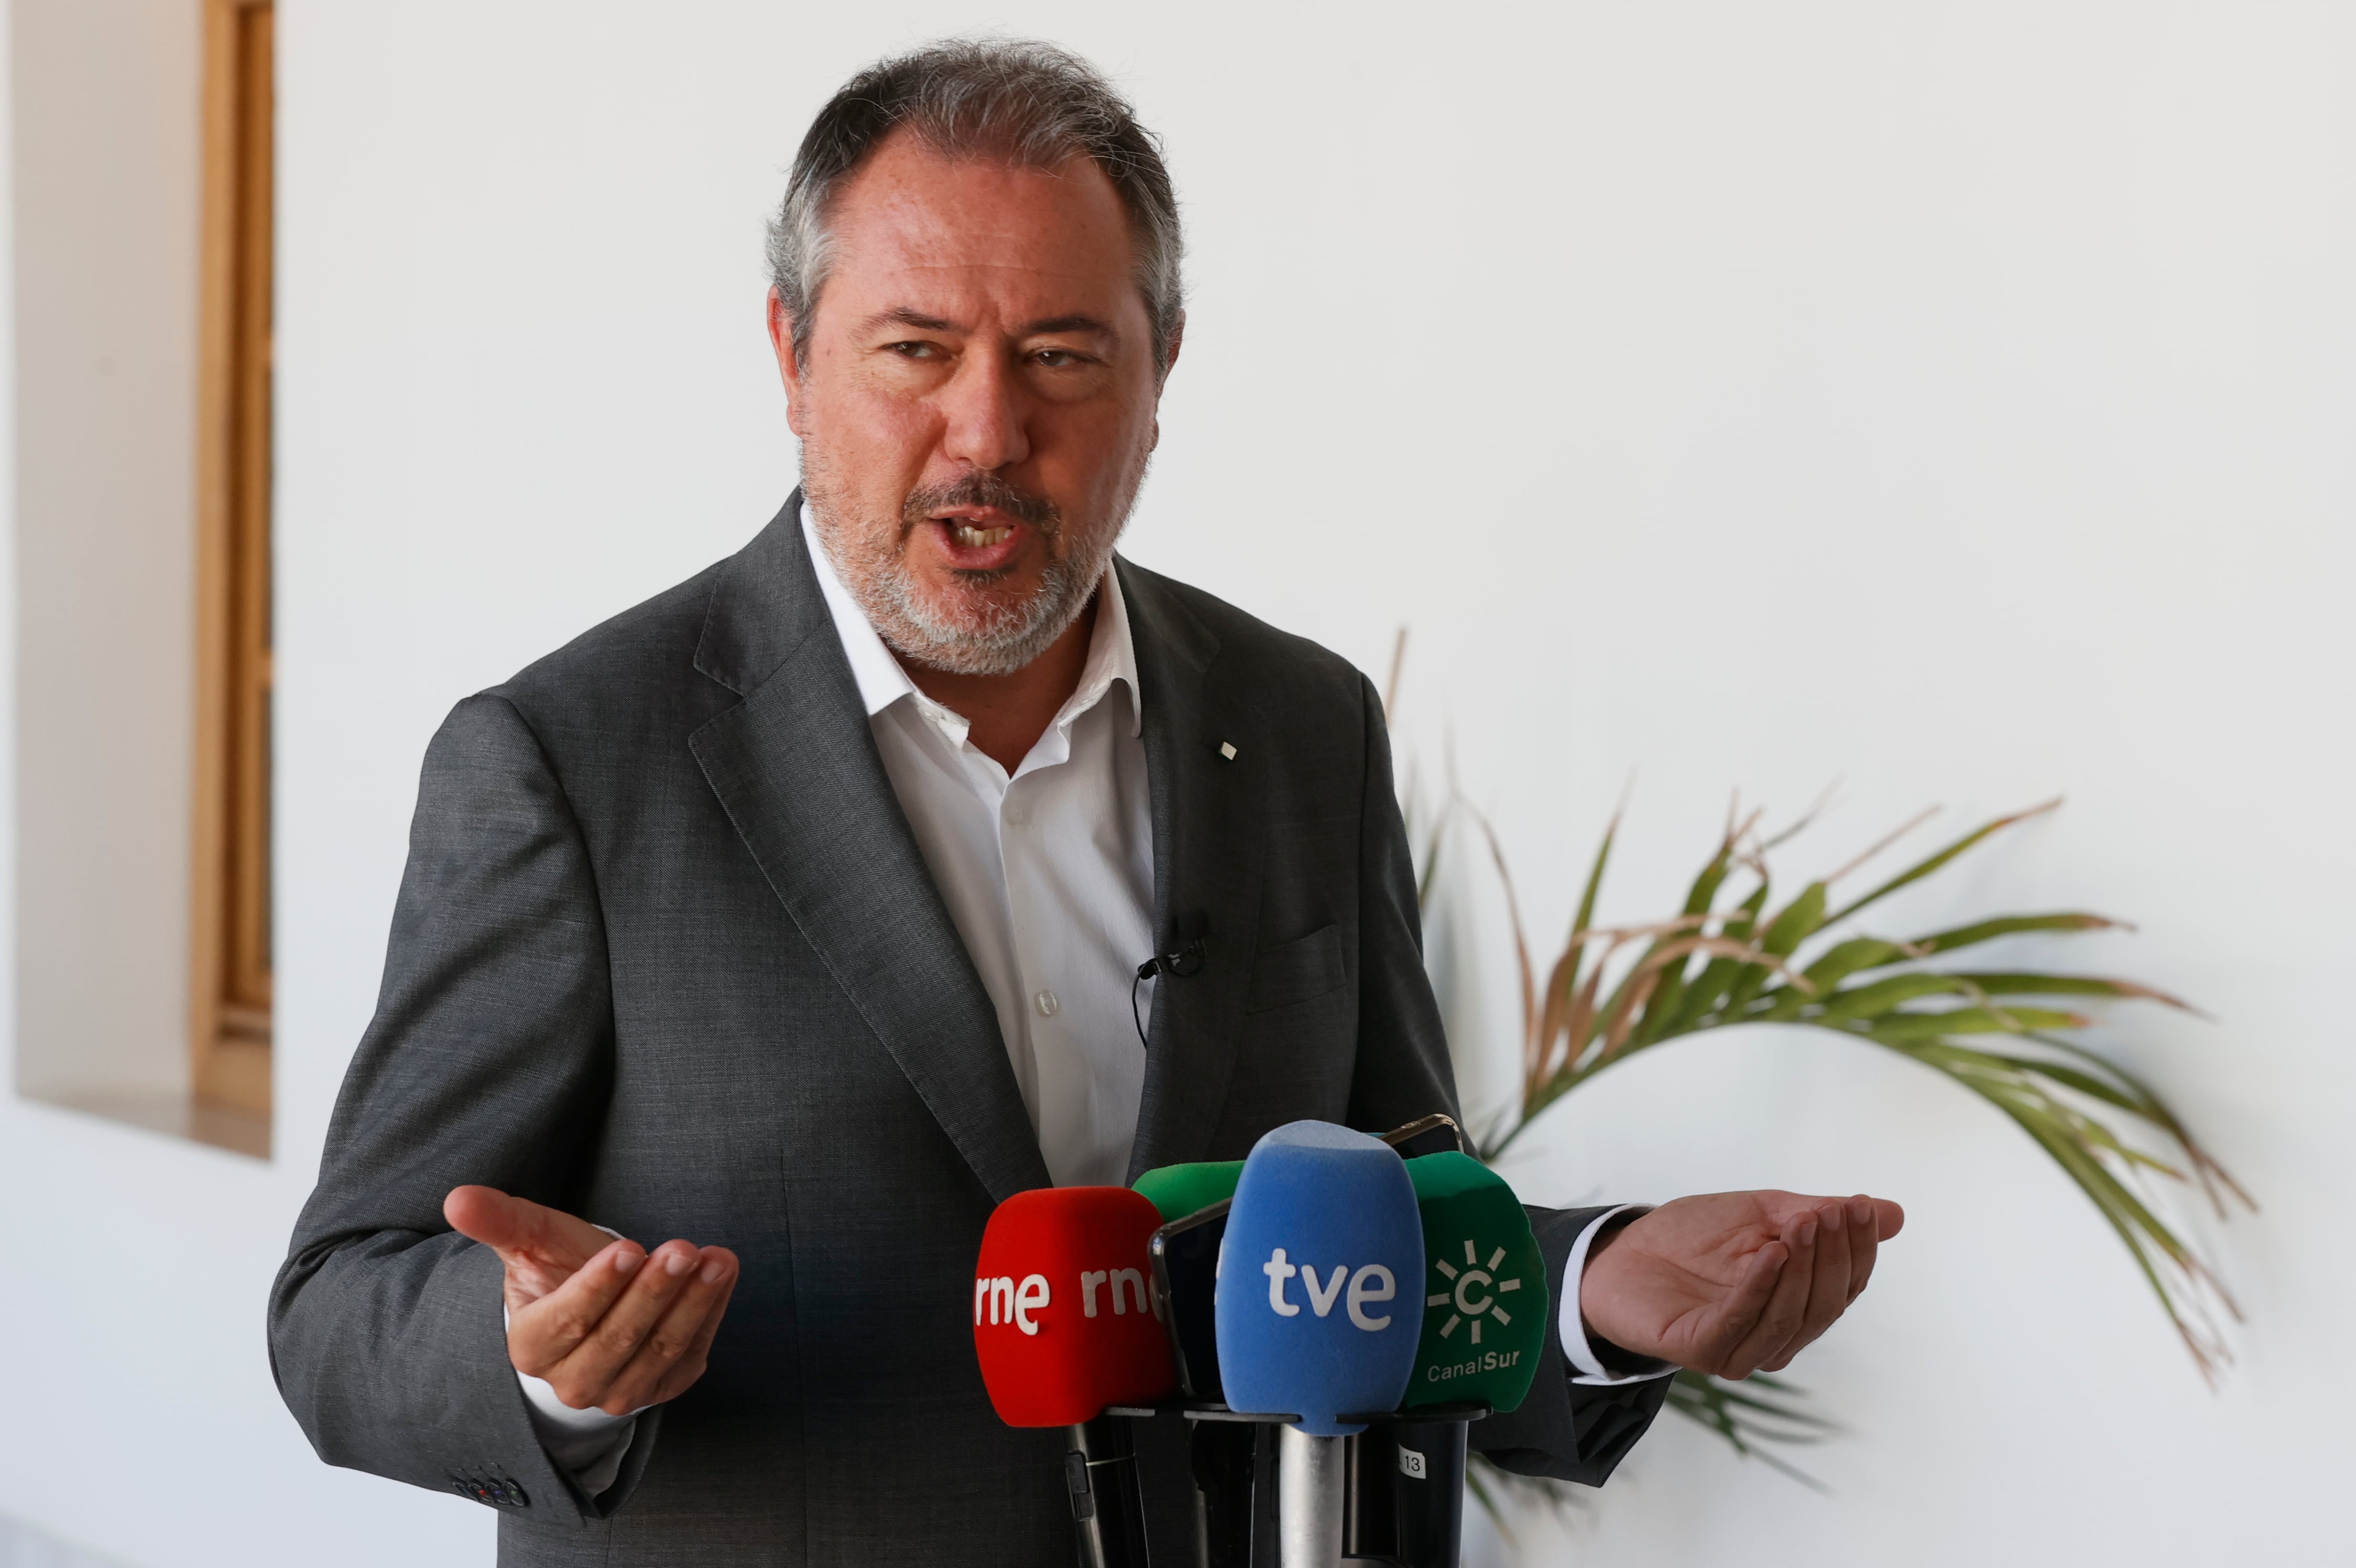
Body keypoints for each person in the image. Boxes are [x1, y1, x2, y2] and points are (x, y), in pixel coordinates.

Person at [270, 39, 1904, 1566]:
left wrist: (1590, 1295)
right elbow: (340, 1314)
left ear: (1162, 365)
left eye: (1062, 356)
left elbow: (1377, 1227)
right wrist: (546, 1362)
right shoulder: (567, 757)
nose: (987, 432)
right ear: (790, 354)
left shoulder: (1304, 723)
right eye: (915, 352)